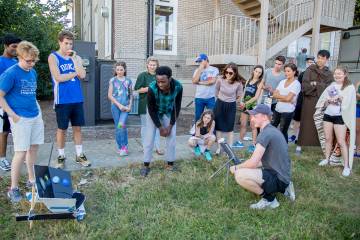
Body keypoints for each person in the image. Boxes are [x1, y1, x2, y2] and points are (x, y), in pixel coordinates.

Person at [0, 41, 44, 202]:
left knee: (33, 149)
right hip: (20, 118)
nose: (31, 64)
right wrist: (12, 115)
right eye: (28, 60)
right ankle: (14, 188)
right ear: (19, 56)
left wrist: (38, 111)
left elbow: (31, 94)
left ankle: (31, 180)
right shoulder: (10, 73)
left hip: (35, 115)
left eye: (33, 61)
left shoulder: (33, 72)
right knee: (21, 152)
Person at [229, 104, 295, 209]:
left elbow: (253, 163)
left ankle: (270, 200)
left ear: (264, 117)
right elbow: (262, 161)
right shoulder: (272, 130)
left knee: (239, 175)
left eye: (255, 116)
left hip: (279, 178)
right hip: (282, 175)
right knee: (245, 169)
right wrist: (245, 165)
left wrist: (236, 167)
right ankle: (284, 188)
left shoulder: (265, 134)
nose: (252, 119)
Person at [48, 30, 90, 169]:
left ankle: (80, 155)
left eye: (71, 43)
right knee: (62, 129)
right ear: (60, 42)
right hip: (62, 99)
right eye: (66, 43)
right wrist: (74, 72)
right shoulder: (53, 57)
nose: (68, 46)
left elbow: (83, 75)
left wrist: (74, 59)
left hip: (77, 98)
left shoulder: (75, 57)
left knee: (77, 128)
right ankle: (61, 156)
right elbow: (58, 78)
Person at [140, 66, 183, 177]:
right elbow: (151, 109)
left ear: (170, 79)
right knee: (149, 138)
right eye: (158, 81)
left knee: (172, 137)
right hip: (154, 113)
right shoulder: (152, 88)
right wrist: (160, 127)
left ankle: (170, 164)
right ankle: (146, 165)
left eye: (163, 81)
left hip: (168, 112)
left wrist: (170, 126)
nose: (160, 84)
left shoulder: (178, 87)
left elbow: (176, 107)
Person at [316, 66, 356, 177]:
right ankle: (327, 159)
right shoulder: (332, 85)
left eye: (339, 74)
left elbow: (349, 104)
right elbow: (323, 102)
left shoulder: (350, 87)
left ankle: (346, 166)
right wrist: (328, 101)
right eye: (335, 74)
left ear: (345, 74)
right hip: (328, 115)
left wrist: (339, 98)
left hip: (340, 117)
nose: (337, 76)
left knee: (341, 141)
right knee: (328, 139)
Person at [297, 50, 334, 153]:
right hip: (309, 101)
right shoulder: (309, 70)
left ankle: (321, 145)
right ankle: (300, 144)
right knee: (306, 123)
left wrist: (316, 84)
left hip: (322, 102)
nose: (320, 60)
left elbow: (330, 88)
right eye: (319, 57)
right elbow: (305, 86)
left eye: (323, 58)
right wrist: (319, 86)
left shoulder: (329, 73)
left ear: (327, 59)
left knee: (320, 123)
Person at [0, 33, 21, 171]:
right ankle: (2, 159)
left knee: (19, 131)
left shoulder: (16, 62)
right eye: (14, 47)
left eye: (18, 47)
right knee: (4, 132)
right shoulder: (0, 61)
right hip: (3, 104)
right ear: (6, 46)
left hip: (17, 104)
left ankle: (20, 157)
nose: (16, 49)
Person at [134, 56, 163, 155]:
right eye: (150, 64)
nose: (152, 66)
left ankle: (158, 148)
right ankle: (145, 147)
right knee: (145, 127)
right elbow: (137, 89)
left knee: (157, 125)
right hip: (145, 104)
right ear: (147, 65)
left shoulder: (160, 76)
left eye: (154, 65)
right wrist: (149, 88)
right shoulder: (142, 75)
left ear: (157, 65)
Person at [213, 63, 243, 154]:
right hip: (220, 104)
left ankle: (229, 149)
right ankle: (219, 147)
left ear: (235, 73)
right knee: (219, 127)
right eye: (226, 72)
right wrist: (220, 98)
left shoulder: (238, 83)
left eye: (231, 73)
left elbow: (239, 95)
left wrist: (235, 101)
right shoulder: (220, 79)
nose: (228, 74)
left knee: (230, 127)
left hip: (231, 106)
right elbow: (216, 90)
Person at [235, 65, 264, 152]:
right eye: (256, 71)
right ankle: (240, 142)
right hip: (245, 105)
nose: (257, 73)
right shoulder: (248, 80)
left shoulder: (260, 82)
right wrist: (241, 101)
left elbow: (256, 97)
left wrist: (246, 103)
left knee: (253, 126)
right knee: (243, 124)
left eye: (260, 72)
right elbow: (244, 92)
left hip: (253, 107)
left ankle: (253, 144)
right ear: (253, 71)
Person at [108, 62, 133, 156]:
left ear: (124, 70)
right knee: (118, 127)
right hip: (115, 107)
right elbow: (109, 96)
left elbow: (131, 95)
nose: (119, 71)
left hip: (125, 107)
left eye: (121, 69)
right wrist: (119, 105)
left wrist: (130, 106)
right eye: (117, 69)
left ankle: (124, 147)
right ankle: (120, 147)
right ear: (115, 70)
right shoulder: (112, 80)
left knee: (121, 125)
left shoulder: (128, 81)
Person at [271, 63, 301, 142]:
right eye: (285, 71)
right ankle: (273, 146)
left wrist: (280, 97)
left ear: (294, 72)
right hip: (277, 109)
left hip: (288, 111)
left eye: (288, 71)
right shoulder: (282, 81)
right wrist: (285, 98)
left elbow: (288, 98)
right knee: (272, 128)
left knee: (283, 131)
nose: (286, 73)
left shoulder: (296, 84)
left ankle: (284, 149)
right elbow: (274, 94)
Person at [289, 56, 315, 147]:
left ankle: (305, 137)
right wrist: (294, 98)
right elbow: (298, 87)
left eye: (312, 62)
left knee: (308, 119)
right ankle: (294, 136)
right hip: (301, 98)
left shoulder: (317, 74)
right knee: (297, 118)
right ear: (306, 63)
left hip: (311, 99)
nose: (310, 63)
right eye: (308, 62)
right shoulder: (302, 74)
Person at [192, 53, 219, 122]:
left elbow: (211, 82)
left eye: (200, 61)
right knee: (198, 117)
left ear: (206, 60)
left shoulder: (214, 69)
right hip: (199, 98)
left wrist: (199, 82)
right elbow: (194, 81)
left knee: (211, 117)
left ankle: (210, 132)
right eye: (198, 62)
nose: (199, 63)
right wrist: (200, 69)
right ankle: (197, 132)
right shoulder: (197, 70)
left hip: (210, 98)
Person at [356, 81, 360, 157]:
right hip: (358, 107)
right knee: (357, 130)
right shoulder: (359, 82)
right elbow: (355, 94)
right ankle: (357, 149)